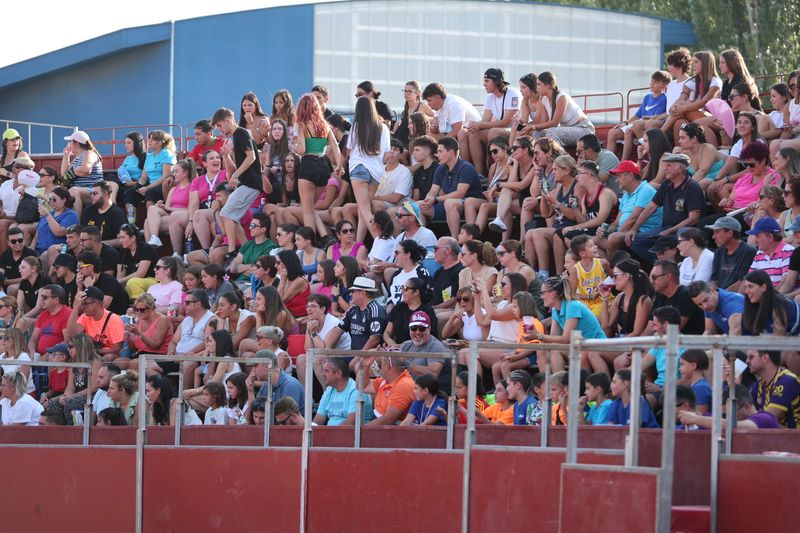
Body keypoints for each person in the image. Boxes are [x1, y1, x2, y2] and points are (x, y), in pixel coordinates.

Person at [211, 107, 267, 265]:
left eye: (220, 126)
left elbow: (251, 157)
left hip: (251, 183)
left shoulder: (241, 133)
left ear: (228, 121)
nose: (220, 130)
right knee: (232, 217)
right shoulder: (238, 136)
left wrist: (236, 175)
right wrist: (227, 157)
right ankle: (246, 250)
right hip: (248, 183)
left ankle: (231, 251)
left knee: (226, 213)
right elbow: (243, 164)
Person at [628, 153, 704, 264]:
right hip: (665, 228)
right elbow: (651, 207)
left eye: (669, 165)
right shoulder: (667, 184)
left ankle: (671, 265)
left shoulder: (693, 187)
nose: (665, 169)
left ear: (679, 168)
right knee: (634, 240)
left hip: (684, 232)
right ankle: (664, 264)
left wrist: (670, 231)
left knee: (678, 239)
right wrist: (634, 229)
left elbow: (693, 218)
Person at [294, 94, 344, 239]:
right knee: (310, 207)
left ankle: (309, 241)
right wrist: (339, 165)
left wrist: (293, 145)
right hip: (323, 166)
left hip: (308, 165)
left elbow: (302, 150)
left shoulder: (302, 126)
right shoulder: (325, 126)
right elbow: (335, 146)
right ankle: (325, 237)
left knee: (307, 211)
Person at [535, 276, 608, 373]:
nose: (541, 296)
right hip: (580, 346)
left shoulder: (572, 306)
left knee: (555, 349)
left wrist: (538, 336)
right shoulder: (555, 309)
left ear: (552, 294)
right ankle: (547, 381)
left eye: (542, 293)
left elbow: (565, 339)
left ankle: (560, 381)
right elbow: (553, 336)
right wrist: (537, 337)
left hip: (595, 345)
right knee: (542, 350)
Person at [524, 154, 580, 279]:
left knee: (537, 233)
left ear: (566, 170)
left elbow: (574, 216)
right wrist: (544, 195)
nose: (553, 173)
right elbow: (546, 213)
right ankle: (530, 273)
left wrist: (555, 203)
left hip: (570, 227)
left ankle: (544, 274)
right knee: (529, 234)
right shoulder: (559, 187)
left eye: (556, 169)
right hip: (558, 226)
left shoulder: (577, 186)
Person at [598, 159, 662, 262]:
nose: (616, 180)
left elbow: (633, 219)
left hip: (643, 232)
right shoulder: (626, 195)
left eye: (619, 176)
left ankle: (611, 269)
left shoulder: (646, 190)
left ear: (630, 175)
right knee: (592, 240)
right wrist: (606, 231)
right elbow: (616, 222)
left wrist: (614, 234)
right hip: (625, 231)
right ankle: (604, 268)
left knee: (613, 238)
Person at [346, 96, 391, 242]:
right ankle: (359, 244)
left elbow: (348, 150)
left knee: (364, 210)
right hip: (376, 172)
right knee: (363, 210)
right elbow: (386, 154)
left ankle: (380, 241)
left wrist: (340, 165)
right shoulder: (383, 127)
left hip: (358, 169)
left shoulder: (356, 126)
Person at [459, 68, 520, 175]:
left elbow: (506, 122)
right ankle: (479, 173)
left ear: (496, 82)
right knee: (473, 132)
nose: (484, 84)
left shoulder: (513, 93)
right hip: (501, 129)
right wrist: (474, 126)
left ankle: (495, 169)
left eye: (487, 81)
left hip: (515, 130)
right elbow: (485, 120)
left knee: (493, 131)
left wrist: (480, 124)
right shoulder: (489, 97)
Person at [420, 137, 484, 238]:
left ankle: (454, 240)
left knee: (450, 203)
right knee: (417, 206)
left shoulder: (466, 167)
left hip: (469, 204)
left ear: (451, 152)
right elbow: (433, 191)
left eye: (440, 151)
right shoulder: (440, 169)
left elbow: (460, 193)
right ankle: (422, 240)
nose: (437, 155)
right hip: (448, 205)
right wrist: (428, 200)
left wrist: (436, 199)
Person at [606, 71, 669, 162]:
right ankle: (610, 162)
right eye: (652, 81)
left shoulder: (665, 97)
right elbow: (637, 115)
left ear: (664, 86)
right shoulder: (647, 97)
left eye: (656, 82)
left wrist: (651, 118)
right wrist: (625, 122)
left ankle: (648, 155)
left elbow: (661, 115)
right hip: (638, 123)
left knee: (632, 128)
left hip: (647, 125)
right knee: (612, 132)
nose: (652, 83)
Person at [296, 294, 351, 389]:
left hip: (343, 356)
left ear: (322, 309)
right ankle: (307, 395)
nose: (308, 309)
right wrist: (309, 330)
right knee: (301, 359)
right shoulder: (312, 322)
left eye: (313, 306)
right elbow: (308, 350)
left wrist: (313, 332)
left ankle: (327, 393)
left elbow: (324, 350)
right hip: (327, 355)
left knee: (319, 358)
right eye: (307, 306)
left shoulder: (333, 323)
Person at [325, 277, 387, 358]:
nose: (350, 294)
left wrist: (358, 357)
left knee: (353, 364)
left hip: (370, 355)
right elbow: (337, 330)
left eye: (353, 291)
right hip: (354, 353)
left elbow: (374, 340)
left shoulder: (375, 310)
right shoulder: (353, 310)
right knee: (328, 362)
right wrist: (326, 351)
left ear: (363, 293)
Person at [143, 158, 195, 252]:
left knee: (149, 222)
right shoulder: (173, 189)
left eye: (176, 171)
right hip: (170, 216)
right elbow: (167, 209)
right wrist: (162, 206)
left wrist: (168, 208)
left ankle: (153, 246)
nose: (174, 174)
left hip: (184, 217)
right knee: (151, 211)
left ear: (185, 173)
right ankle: (152, 244)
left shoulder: (192, 187)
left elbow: (191, 209)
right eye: (173, 171)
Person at [531, 71, 595, 146]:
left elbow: (554, 123)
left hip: (584, 129)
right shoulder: (542, 100)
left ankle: (558, 153)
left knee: (551, 131)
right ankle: (541, 152)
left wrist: (532, 126)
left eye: (539, 84)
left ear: (548, 86)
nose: (537, 88)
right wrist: (527, 127)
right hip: (567, 131)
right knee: (537, 133)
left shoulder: (562, 97)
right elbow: (542, 123)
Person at [679, 383, 780, 430]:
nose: (727, 418)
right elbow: (707, 417)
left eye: (730, 414)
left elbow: (729, 425)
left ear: (746, 406)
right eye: (724, 415)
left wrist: (694, 418)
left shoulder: (765, 419)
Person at [168, 289, 216, 386]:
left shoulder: (211, 318)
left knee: (188, 364)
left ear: (198, 304)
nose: (184, 306)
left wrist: (187, 354)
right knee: (149, 366)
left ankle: (185, 395)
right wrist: (171, 351)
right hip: (177, 357)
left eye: (187, 303)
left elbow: (207, 342)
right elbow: (173, 342)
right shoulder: (186, 320)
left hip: (196, 356)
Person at [122, 130, 176, 213]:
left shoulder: (167, 154)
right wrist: (138, 187)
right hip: (150, 185)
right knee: (130, 193)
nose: (149, 141)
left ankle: (151, 218)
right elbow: (143, 177)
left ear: (160, 142)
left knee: (151, 193)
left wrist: (147, 188)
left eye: (152, 139)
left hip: (163, 185)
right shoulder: (149, 156)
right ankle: (131, 220)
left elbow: (166, 176)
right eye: (149, 139)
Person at [600, 258, 653, 341]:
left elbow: (636, 333)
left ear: (627, 276)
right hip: (623, 340)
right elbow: (605, 325)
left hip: (635, 344)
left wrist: (613, 343)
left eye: (615, 275)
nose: (613, 279)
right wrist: (605, 298)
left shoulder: (643, 300)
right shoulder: (620, 297)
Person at [747, 349, 800, 428]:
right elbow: (744, 408)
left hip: (794, 435)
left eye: (751, 357)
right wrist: (733, 385)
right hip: (775, 434)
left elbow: (767, 420)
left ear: (765, 358)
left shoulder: (787, 380)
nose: (747, 361)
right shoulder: (759, 384)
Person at [649, 260, 705, 335]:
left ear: (668, 277)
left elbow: (673, 331)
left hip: (688, 341)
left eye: (654, 277)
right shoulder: (660, 295)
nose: (652, 281)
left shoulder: (685, 294)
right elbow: (650, 328)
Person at [742, 269, 800, 339]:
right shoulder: (755, 305)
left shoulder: (778, 304)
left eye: (750, 286)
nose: (746, 291)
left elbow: (779, 338)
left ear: (763, 287)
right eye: (745, 287)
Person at [361, 354, 415, 426]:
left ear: (388, 367)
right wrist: (365, 367)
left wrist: (363, 430)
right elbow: (363, 386)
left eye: (381, 364)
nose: (380, 367)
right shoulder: (387, 379)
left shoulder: (403, 385)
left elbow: (389, 419)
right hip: (377, 422)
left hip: (386, 428)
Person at [707, 217, 757, 292]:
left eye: (717, 232)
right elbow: (714, 281)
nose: (713, 237)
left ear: (730, 233)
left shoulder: (749, 252)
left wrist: (722, 295)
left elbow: (742, 282)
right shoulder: (719, 252)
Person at [61, 131, 104, 215]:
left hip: (93, 190)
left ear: (76, 143)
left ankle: (75, 222)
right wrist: (66, 157)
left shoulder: (89, 153)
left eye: (70, 142)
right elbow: (64, 175)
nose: (69, 144)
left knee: (73, 191)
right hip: (80, 190)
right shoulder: (77, 158)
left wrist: (72, 173)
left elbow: (85, 170)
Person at [312, 357, 364, 426]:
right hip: (332, 431)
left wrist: (329, 433)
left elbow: (350, 424)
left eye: (326, 371)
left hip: (349, 432)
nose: (323, 374)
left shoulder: (355, 390)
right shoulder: (329, 390)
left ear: (338, 373)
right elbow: (318, 420)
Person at [568, 235, 612, 317]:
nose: (596, 247)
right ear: (582, 253)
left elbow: (613, 278)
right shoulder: (575, 270)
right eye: (591, 246)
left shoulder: (603, 263)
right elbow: (572, 294)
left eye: (594, 244)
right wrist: (589, 296)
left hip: (604, 301)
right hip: (586, 304)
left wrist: (603, 289)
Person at [125, 293, 173, 365]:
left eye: (142, 310)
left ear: (151, 308)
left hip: (159, 357)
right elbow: (135, 349)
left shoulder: (162, 320)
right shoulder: (140, 320)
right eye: (136, 310)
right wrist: (129, 340)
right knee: (118, 362)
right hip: (142, 355)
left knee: (133, 363)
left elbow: (155, 345)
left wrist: (139, 333)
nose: (138, 313)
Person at [76, 251, 129, 316]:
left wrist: (90, 289)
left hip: (117, 317)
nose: (77, 270)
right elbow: (77, 310)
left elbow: (100, 309)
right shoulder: (84, 280)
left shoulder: (108, 282)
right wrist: (79, 287)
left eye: (80, 267)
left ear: (90, 267)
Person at [747, 218, 795, 288]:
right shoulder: (759, 253)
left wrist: (770, 295)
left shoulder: (788, 251)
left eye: (757, 236)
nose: (755, 240)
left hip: (780, 294)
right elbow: (749, 279)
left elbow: (786, 281)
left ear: (769, 237)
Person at [32, 186, 79, 256]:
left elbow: (59, 232)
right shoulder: (48, 214)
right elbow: (37, 236)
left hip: (56, 251)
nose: (51, 202)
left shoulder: (71, 215)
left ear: (64, 200)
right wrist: (31, 250)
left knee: (46, 254)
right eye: (50, 199)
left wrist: (47, 214)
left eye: (54, 199)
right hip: (38, 251)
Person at [28, 284, 72, 357]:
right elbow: (33, 340)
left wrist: (46, 356)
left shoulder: (67, 314)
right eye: (41, 297)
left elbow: (67, 342)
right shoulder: (43, 315)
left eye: (44, 297)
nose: (41, 300)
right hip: (39, 357)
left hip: (57, 357)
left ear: (56, 300)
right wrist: (33, 354)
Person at [80, 181, 127, 246]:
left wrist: (99, 244)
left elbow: (123, 239)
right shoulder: (88, 210)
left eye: (95, 193)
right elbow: (82, 232)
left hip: (108, 250)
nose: (91, 196)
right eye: (91, 193)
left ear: (105, 194)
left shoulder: (117, 213)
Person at [0, 227, 36, 294]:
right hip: (5, 286)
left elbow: (31, 276)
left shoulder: (31, 254)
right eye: (13, 241)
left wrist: (7, 281)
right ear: (8, 243)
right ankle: (3, 299)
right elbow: (1, 272)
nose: (17, 243)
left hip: (26, 284)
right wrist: (2, 280)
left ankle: (6, 300)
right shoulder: (5, 254)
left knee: (12, 288)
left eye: (20, 240)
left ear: (24, 240)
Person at [17, 256, 51, 322]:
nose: (20, 270)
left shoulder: (43, 281)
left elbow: (39, 308)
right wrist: (16, 318)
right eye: (20, 267)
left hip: (49, 315)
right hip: (36, 315)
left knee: (22, 321)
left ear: (33, 269)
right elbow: (19, 307)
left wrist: (22, 318)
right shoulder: (24, 282)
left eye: (23, 267)